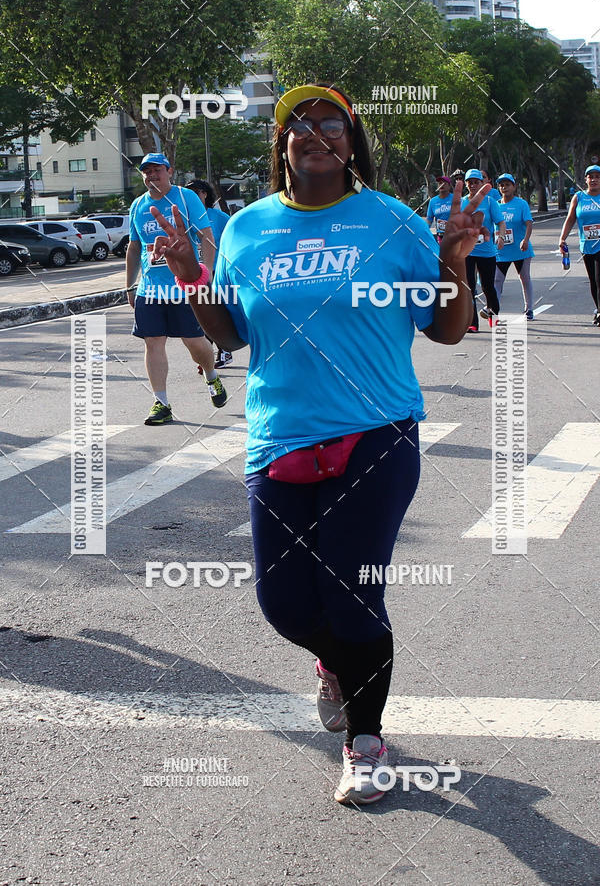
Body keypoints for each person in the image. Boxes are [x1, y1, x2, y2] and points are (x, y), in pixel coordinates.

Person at [147, 84, 489, 806]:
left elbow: (446, 329)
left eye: (329, 124)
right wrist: (188, 276)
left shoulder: (392, 221)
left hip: (377, 432)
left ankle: (365, 742)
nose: (312, 134)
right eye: (297, 125)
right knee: (287, 608)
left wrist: (454, 258)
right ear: (282, 146)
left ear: (350, 140)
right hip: (279, 435)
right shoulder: (246, 228)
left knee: (355, 594)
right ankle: (337, 664)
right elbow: (231, 334)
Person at [126, 153, 227, 424]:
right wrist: (129, 286)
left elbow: (206, 236)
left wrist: (206, 275)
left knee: (194, 342)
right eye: (146, 171)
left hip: (185, 287)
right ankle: (161, 403)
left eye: (157, 170)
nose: (151, 175)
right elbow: (134, 247)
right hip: (150, 290)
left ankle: (211, 376)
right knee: (153, 342)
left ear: (169, 171)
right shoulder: (137, 205)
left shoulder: (185, 198)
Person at [186, 179, 233, 367]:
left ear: (205, 194)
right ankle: (207, 353)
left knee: (217, 312)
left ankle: (225, 351)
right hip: (193, 274)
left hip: (216, 272)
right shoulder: (184, 216)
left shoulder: (218, 217)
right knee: (200, 315)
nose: (193, 197)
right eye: (188, 193)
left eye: (196, 192)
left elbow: (233, 240)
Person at [462, 168, 506, 330]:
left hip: (487, 251)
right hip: (468, 252)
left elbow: (500, 222)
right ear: (466, 184)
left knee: (488, 286)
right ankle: (472, 323)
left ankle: (494, 316)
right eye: (470, 182)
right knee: (469, 287)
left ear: (483, 183)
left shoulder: (489, 202)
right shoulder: (461, 203)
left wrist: (500, 236)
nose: (473, 185)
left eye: (476, 182)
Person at [559, 164, 600, 325]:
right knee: (593, 281)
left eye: (598, 176)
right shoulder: (579, 197)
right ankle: (598, 309)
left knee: (599, 278)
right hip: (586, 245)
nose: (594, 179)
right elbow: (570, 219)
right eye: (591, 177)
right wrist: (562, 238)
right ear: (586, 179)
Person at [494, 174, 535, 320]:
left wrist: (525, 240)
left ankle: (529, 309)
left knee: (524, 278)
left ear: (514, 186)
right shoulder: (496, 205)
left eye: (507, 184)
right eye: (501, 185)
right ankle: (494, 310)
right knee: (497, 280)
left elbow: (529, 223)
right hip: (501, 251)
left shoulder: (521, 204)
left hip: (520, 249)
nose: (504, 187)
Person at [426, 176, 453, 243]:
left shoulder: (456, 198)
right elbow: (429, 219)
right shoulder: (433, 201)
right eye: (439, 183)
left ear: (449, 186)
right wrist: (425, 230)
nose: (441, 185)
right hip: (441, 236)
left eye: (444, 183)